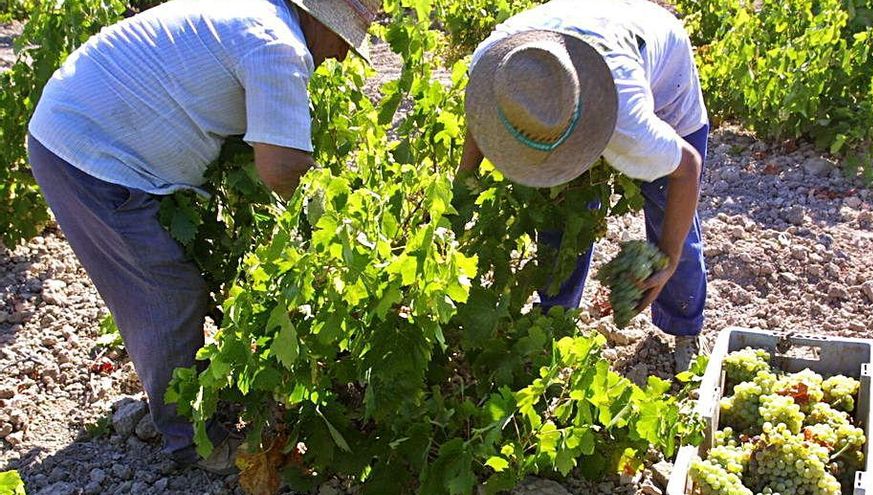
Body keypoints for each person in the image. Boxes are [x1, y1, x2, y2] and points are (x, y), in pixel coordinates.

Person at [26, 0, 379, 473]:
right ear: (320, 21)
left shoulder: (252, 12)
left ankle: (182, 394)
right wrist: (341, 233)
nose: (338, 57)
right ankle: (193, 441)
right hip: (91, 154)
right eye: (343, 42)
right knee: (168, 291)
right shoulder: (279, 47)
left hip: (81, 123)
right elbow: (282, 170)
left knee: (165, 282)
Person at [459, 0, 710, 372]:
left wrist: (669, 258)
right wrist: (460, 191)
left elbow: (687, 168)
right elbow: (481, 125)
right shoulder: (500, 68)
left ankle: (685, 330)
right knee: (561, 210)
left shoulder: (631, 124)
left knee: (669, 210)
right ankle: (554, 323)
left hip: (655, 52)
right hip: (579, 38)